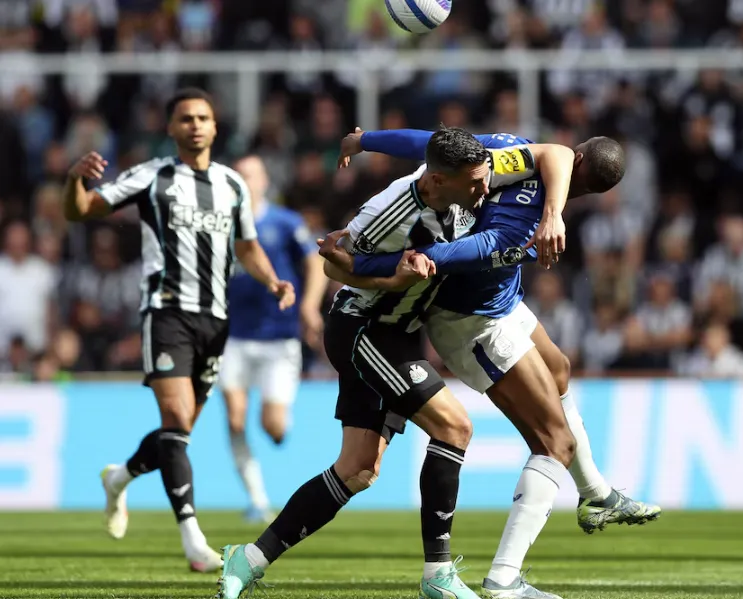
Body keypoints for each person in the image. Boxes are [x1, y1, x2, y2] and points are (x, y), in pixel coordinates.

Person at [215, 127, 578, 599]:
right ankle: (438, 576)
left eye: (484, 176)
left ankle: (249, 558)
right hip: (364, 330)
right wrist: (391, 281)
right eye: (473, 184)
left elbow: (554, 153)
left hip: (400, 335)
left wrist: (364, 139)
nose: (483, 189)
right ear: (436, 182)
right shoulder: (389, 214)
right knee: (454, 428)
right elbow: (333, 265)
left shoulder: (477, 168)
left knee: (357, 469)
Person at [320, 127, 661, 598]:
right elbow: (440, 253)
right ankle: (503, 579)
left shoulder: (508, 155)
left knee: (558, 368)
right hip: (473, 322)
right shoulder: (517, 221)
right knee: (554, 442)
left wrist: (365, 141)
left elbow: (434, 143)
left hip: (502, 302)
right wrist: (361, 264)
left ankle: (596, 494)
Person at [62, 87, 296, 572]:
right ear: (170, 128)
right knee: (176, 419)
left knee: (180, 430)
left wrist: (273, 280)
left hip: (216, 319)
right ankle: (192, 539)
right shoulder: (151, 176)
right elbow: (80, 210)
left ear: (214, 127)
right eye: (185, 118)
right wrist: (73, 181)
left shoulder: (232, 184)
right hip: (166, 313)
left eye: (203, 118)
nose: (194, 125)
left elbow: (247, 246)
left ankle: (120, 477)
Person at [219, 154, 328, 523]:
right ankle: (257, 498)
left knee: (273, 426)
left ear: (264, 181)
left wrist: (309, 307)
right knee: (234, 419)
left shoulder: (284, 222)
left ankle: (281, 423)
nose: (245, 182)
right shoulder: (221, 223)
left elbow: (315, 263)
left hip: (279, 338)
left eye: (250, 175)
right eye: (239, 176)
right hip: (232, 336)